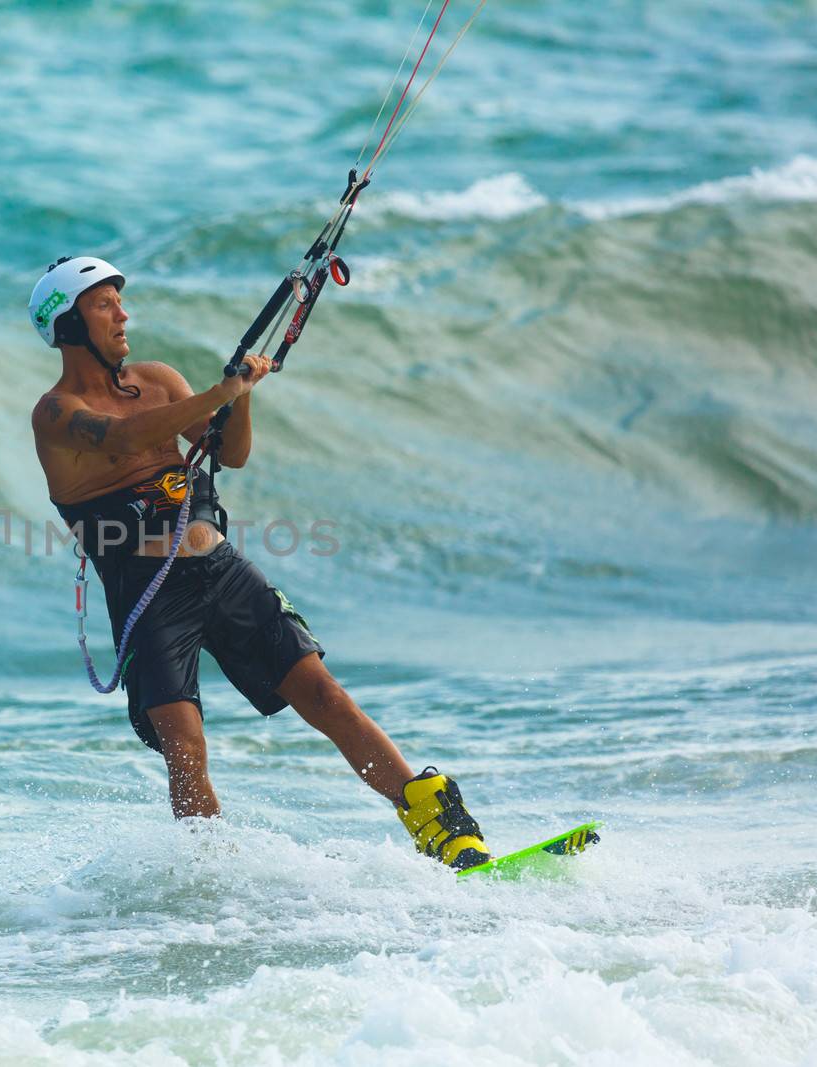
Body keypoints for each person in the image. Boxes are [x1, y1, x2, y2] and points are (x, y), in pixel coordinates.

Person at [28, 256, 491, 870]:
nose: (123, 312)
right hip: (146, 594)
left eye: (120, 299)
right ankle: (214, 873)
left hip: (220, 570)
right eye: (105, 303)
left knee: (324, 694)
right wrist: (220, 392)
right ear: (67, 323)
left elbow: (231, 453)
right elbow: (123, 440)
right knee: (184, 746)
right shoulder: (55, 412)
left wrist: (238, 399)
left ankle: (440, 826)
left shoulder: (159, 381)